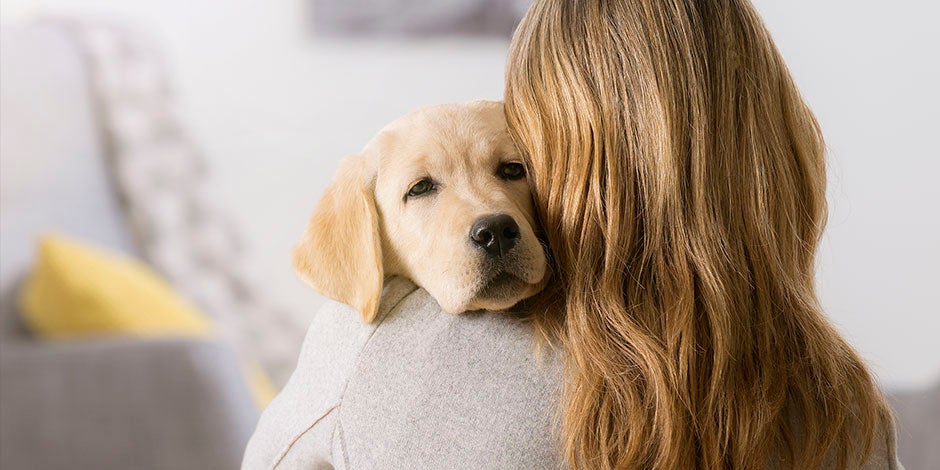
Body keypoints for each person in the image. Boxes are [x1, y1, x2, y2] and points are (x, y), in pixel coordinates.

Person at [244, 1, 901, 468]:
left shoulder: (379, 348)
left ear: (560, 156)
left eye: (513, 168)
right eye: (423, 189)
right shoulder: (842, 408)